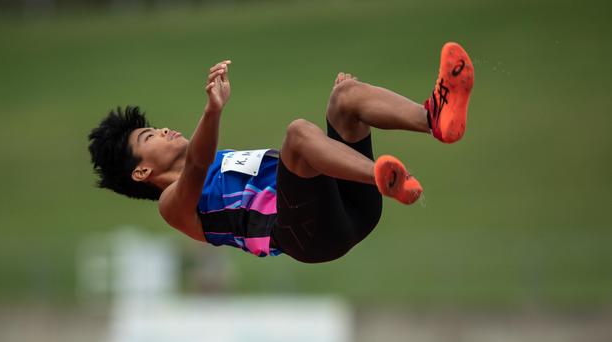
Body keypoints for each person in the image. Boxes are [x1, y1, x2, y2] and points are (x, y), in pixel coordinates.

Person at [88, 42, 474, 263]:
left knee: (344, 98)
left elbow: (214, 161)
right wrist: (213, 110)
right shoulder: (173, 206)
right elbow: (196, 165)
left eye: (155, 127)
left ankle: (434, 118)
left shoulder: (218, 162)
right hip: (309, 237)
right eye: (149, 137)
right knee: (298, 134)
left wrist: (342, 126)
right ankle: (384, 177)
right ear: (141, 173)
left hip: (346, 204)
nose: (165, 130)